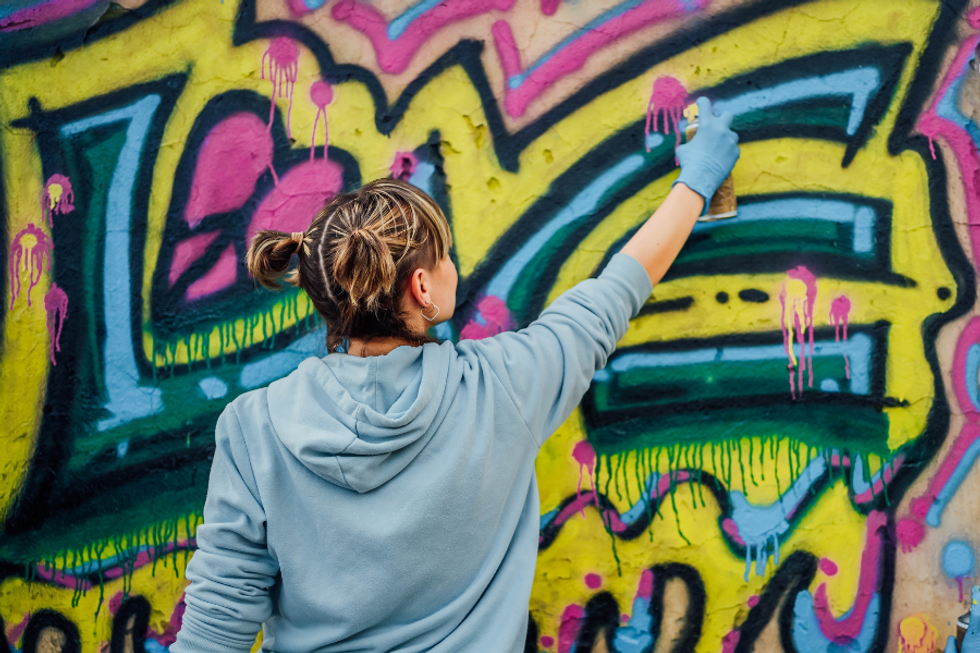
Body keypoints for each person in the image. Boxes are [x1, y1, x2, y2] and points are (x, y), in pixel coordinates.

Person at [170, 96, 739, 653]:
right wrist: (697, 180)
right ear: (422, 288)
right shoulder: (501, 388)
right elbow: (613, 295)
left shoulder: (253, 428)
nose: (450, 265)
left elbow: (213, 628)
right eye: (442, 255)